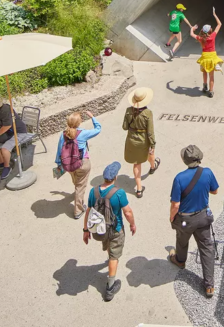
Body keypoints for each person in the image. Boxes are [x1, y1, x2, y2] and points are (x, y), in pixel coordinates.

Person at [168, 144, 219, 298]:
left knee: (182, 240)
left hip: (186, 220)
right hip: (203, 217)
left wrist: (172, 217)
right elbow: (215, 190)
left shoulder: (179, 178)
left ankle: (180, 260)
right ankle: (209, 285)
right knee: (206, 248)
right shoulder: (207, 172)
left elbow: (175, 204)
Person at [83, 161, 136, 302]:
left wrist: (85, 230)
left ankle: (110, 255)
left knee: (109, 248)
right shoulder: (119, 193)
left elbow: (88, 211)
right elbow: (128, 212)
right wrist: (133, 225)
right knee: (114, 257)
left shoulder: (93, 191)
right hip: (115, 229)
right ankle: (110, 288)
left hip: (100, 230)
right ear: (115, 177)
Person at [55, 111, 101, 218]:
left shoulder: (63, 134)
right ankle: (78, 210)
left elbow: (59, 150)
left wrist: (59, 164)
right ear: (79, 123)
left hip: (68, 164)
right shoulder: (83, 133)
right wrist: (92, 117)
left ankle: (77, 191)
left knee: (76, 181)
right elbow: (98, 129)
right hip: (82, 163)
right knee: (80, 186)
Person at [122, 87, 159, 199]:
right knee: (150, 152)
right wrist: (153, 144)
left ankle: (139, 189)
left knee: (136, 163)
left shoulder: (128, 111)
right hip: (143, 139)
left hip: (132, 139)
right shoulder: (148, 113)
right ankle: (152, 166)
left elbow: (124, 127)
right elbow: (150, 131)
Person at [190, 8, 223, 98]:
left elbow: (192, 34)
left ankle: (205, 86)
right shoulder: (212, 36)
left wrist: (192, 29)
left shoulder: (200, 38)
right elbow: (219, 24)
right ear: (210, 31)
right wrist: (215, 15)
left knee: (204, 72)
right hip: (212, 57)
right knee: (211, 75)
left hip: (204, 57)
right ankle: (211, 91)